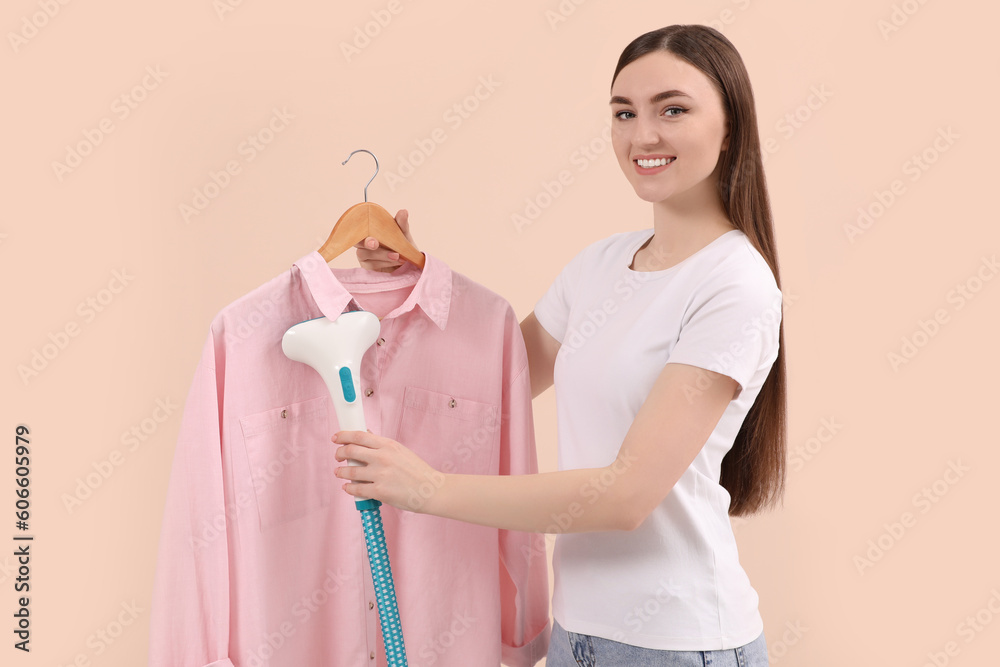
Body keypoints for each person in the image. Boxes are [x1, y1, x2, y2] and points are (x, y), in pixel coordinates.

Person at [337, 24, 785, 666]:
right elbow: (488, 380)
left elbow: (626, 495)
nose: (643, 135)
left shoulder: (734, 284)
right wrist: (413, 279)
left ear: (732, 125)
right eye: (624, 113)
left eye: (673, 109)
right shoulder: (600, 266)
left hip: (678, 645)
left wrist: (429, 490)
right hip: (576, 636)